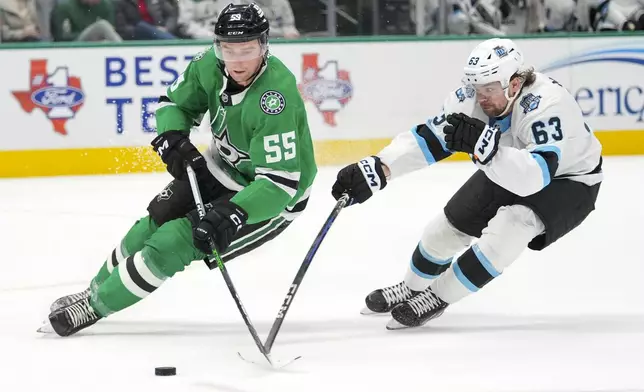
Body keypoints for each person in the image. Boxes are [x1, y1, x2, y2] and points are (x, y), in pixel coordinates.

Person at [40, 2, 317, 337]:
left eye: (248, 50)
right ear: (218, 47)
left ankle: (95, 307)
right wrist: (172, 135)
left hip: (271, 196)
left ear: (264, 45)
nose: (238, 61)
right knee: (153, 221)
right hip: (222, 166)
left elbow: (279, 183)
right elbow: (173, 103)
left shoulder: (275, 98)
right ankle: (92, 292)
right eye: (228, 50)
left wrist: (235, 211)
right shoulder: (208, 65)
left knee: (174, 240)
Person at [331, 38, 603, 330]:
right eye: (477, 88)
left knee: (512, 227)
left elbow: (533, 177)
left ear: (514, 84)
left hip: (570, 181)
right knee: (444, 230)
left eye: (489, 89)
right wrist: (380, 168)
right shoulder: (470, 97)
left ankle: (436, 297)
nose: (481, 97)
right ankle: (411, 288)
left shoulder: (547, 104)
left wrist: (486, 150)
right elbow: (432, 139)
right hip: (507, 164)